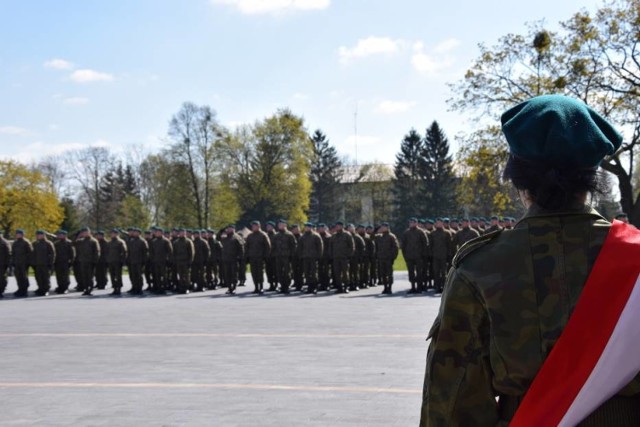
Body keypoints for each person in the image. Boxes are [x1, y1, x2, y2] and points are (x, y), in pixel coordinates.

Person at [420, 95, 640, 426]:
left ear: (518, 178)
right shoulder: (634, 256)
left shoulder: (481, 266)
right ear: (593, 174)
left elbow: (452, 401)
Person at [401, 217, 429, 293]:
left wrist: (424, 255)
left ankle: (419, 287)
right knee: (411, 272)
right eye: (410, 222)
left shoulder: (421, 232)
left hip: (419, 256)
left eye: (413, 222)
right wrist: (405, 256)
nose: (411, 224)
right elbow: (403, 245)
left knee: (419, 272)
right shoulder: (406, 233)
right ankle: (413, 287)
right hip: (409, 256)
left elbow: (425, 244)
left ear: (416, 223)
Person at [245, 221, 271, 294]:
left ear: (258, 226)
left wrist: (266, 256)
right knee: (254, 272)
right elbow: (247, 247)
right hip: (252, 257)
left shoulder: (263, 235)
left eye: (254, 226)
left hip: (260, 257)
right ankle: (256, 287)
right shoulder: (250, 236)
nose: (253, 227)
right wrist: (246, 257)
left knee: (260, 272)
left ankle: (261, 287)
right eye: (252, 226)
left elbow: (267, 247)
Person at [272, 220, 297, 294]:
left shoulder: (289, 234)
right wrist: (273, 254)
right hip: (278, 256)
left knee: (287, 272)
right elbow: (273, 246)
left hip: (286, 256)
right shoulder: (276, 235)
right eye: (279, 225)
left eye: (281, 225)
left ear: (285, 225)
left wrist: (292, 255)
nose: (280, 226)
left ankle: (286, 286)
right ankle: (282, 286)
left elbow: (294, 246)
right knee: (279, 272)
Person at [298, 222, 323, 294]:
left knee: (313, 272)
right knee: (306, 272)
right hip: (305, 257)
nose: (306, 228)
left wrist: (319, 256)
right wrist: (300, 256)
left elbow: (320, 247)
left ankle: (314, 287)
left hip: (313, 257)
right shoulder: (303, 237)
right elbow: (300, 247)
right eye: (305, 227)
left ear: (311, 227)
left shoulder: (316, 236)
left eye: (308, 227)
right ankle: (309, 287)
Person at [329, 221, 354, 294]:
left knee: (345, 273)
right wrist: (331, 255)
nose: (337, 228)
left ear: (342, 226)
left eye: (338, 226)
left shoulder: (347, 235)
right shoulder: (334, 236)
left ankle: (346, 287)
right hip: (336, 257)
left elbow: (352, 246)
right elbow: (331, 246)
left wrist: (349, 255)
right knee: (337, 273)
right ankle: (339, 287)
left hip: (344, 257)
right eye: (336, 226)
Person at [75, 227, 100, 296]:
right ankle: (86, 289)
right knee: (84, 276)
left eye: (86, 232)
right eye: (83, 232)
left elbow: (97, 252)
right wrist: (78, 237)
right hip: (83, 261)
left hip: (90, 261)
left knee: (90, 276)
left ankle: (90, 288)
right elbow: (73, 244)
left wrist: (95, 261)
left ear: (89, 232)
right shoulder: (81, 241)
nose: (84, 234)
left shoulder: (93, 241)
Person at [376, 222, 399, 295]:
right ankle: (385, 287)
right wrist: (377, 230)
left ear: (387, 228)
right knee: (383, 274)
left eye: (384, 227)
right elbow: (371, 238)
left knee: (389, 274)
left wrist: (393, 257)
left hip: (388, 258)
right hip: (381, 258)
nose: (382, 228)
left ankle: (389, 288)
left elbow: (395, 248)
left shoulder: (391, 236)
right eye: (381, 227)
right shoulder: (380, 236)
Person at [220, 225, 244, 295]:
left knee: (234, 273)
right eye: (228, 229)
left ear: (233, 229)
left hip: (234, 258)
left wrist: (240, 257)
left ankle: (234, 287)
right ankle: (229, 287)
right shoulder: (225, 237)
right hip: (226, 258)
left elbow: (241, 248)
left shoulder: (237, 237)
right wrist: (223, 231)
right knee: (227, 274)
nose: (228, 230)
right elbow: (218, 238)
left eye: (230, 228)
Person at [31, 230, 55, 296]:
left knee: (45, 277)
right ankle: (40, 288)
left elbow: (52, 254)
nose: (38, 236)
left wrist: (51, 263)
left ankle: (46, 290)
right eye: (37, 234)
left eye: (40, 234)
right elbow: (32, 254)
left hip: (45, 263)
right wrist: (32, 263)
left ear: (43, 235)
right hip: (37, 263)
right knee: (38, 277)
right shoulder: (34, 243)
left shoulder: (48, 243)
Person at [149, 227, 173, 294]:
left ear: (162, 233)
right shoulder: (154, 241)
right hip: (156, 261)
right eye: (156, 233)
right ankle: (159, 288)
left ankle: (164, 288)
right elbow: (151, 252)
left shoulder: (166, 241)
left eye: (159, 232)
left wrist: (169, 260)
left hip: (163, 261)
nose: (157, 234)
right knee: (157, 275)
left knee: (164, 275)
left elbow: (170, 251)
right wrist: (152, 259)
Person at [127, 227, 148, 295]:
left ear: (139, 233)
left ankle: (140, 288)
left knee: (139, 275)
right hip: (132, 261)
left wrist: (144, 262)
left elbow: (145, 252)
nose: (134, 233)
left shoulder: (142, 241)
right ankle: (134, 287)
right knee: (133, 275)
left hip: (139, 261)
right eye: (134, 232)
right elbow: (129, 251)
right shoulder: (131, 241)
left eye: (136, 232)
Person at [53, 229, 75, 294]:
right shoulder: (56, 243)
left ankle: (65, 287)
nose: (60, 236)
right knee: (58, 275)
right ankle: (60, 286)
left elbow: (72, 253)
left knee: (65, 276)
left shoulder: (69, 243)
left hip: (66, 262)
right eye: (59, 235)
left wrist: (71, 261)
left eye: (62, 235)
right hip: (58, 262)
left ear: (65, 235)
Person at [172, 228, 194, 294]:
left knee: (187, 276)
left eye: (183, 232)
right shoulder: (176, 242)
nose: (182, 233)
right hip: (179, 261)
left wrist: (190, 261)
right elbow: (174, 253)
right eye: (181, 232)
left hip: (186, 261)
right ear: (179, 233)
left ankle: (187, 288)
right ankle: (181, 288)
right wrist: (175, 261)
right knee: (180, 275)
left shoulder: (188, 241)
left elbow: (191, 253)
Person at [107, 228, 127, 296]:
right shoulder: (109, 243)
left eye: (114, 233)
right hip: (111, 261)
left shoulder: (120, 242)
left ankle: (119, 288)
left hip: (118, 261)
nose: (112, 234)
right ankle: (114, 288)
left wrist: (123, 261)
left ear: (117, 234)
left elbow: (124, 252)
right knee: (112, 276)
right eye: (112, 233)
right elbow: (107, 252)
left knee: (118, 276)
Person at [12, 229, 32, 297]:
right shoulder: (15, 242)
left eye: (19, 234)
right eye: (17, 234)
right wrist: (13, 262)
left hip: (24, 263)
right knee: (18, 276)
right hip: (17, 263)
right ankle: (20, 289)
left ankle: (25, 290)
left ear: (23, 235)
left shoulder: (26, 242)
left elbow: (30, 253)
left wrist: (28, 262)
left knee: (24, 277)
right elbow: (13, 253)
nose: (17, 235)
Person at [0, 233, 11, 298]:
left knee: (2, 279)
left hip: (2, 264)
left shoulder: (4, 242)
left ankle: (1, 291)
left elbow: (8, 254)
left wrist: (7, 264)